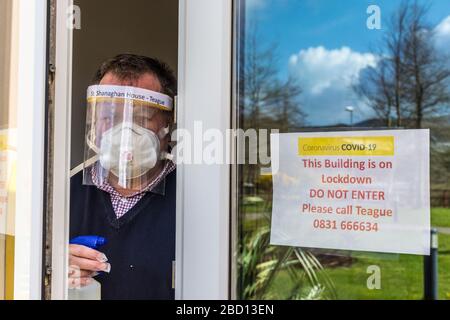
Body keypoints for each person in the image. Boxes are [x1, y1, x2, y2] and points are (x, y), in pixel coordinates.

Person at [69, 53, 177, 300]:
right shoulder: (60, 194)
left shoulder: (194, 197)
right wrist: (51, 269)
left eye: (140, 118)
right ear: (95, 123)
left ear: (167, 126)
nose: (124, 130)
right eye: (109, 117)